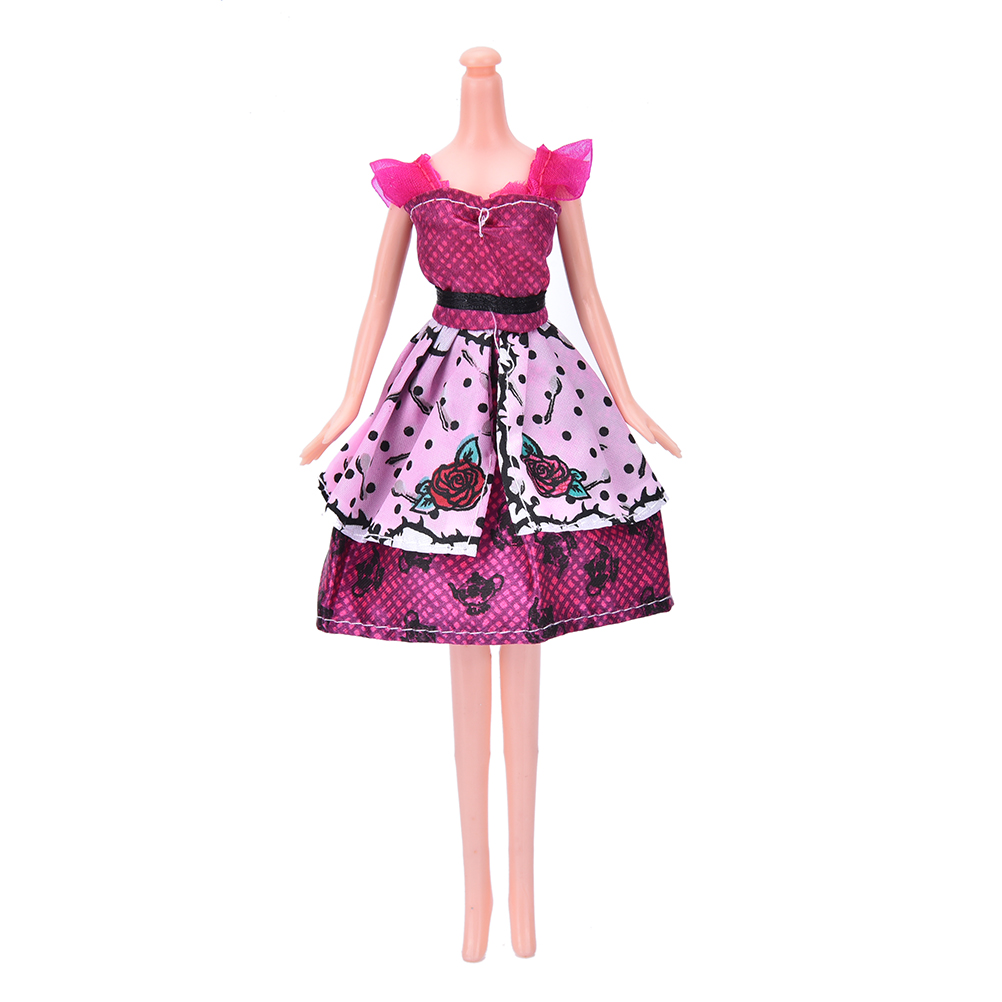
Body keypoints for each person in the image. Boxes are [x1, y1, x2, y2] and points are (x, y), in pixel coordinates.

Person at [300, 47, 681, 961]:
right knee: (466, 652)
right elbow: (376, 305)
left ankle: (524, 900)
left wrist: (629, 403)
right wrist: (347, 408)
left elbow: (590, 298)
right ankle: (477, 902)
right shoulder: (415, 185)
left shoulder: (551, 179)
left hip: (544, 406)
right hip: (443, 413)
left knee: (528, 644)